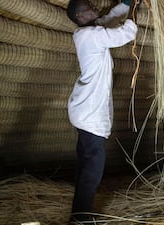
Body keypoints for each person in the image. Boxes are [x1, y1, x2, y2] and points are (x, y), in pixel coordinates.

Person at [66, 0, 138, 222]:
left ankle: (79, 210)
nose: (95, 9)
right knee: (93, 168)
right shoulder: (91, 36)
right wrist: (134, 10)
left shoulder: (88, 33)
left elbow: (110, 19)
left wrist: (126, 3)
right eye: (90, 8)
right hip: (89, 115)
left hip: (84, 112)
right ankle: (80, 218)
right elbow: (126, 33)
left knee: (86, 163)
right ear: (80, 16)